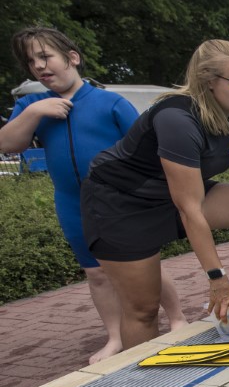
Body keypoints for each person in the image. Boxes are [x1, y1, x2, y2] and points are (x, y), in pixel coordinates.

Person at [80, 39, 229, 350]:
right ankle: (139, 375)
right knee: (143, 309)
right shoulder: (177, 119)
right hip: (122, 204)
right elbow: (190, 209)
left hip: (178, 192)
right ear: (208, 82)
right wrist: (218, 279)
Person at [0, 27, 188, 363]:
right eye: (31, 62)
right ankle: (115, 337)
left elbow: (146, 147)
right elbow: (8, 144)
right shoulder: (31, 105)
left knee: (144, 264)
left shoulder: (109, 102)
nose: (39, 66)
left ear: (72, 58)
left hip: (121, 200)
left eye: (45, 56)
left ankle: (177, 318)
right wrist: (34, 113)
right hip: (72, 203)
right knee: (96, 272)